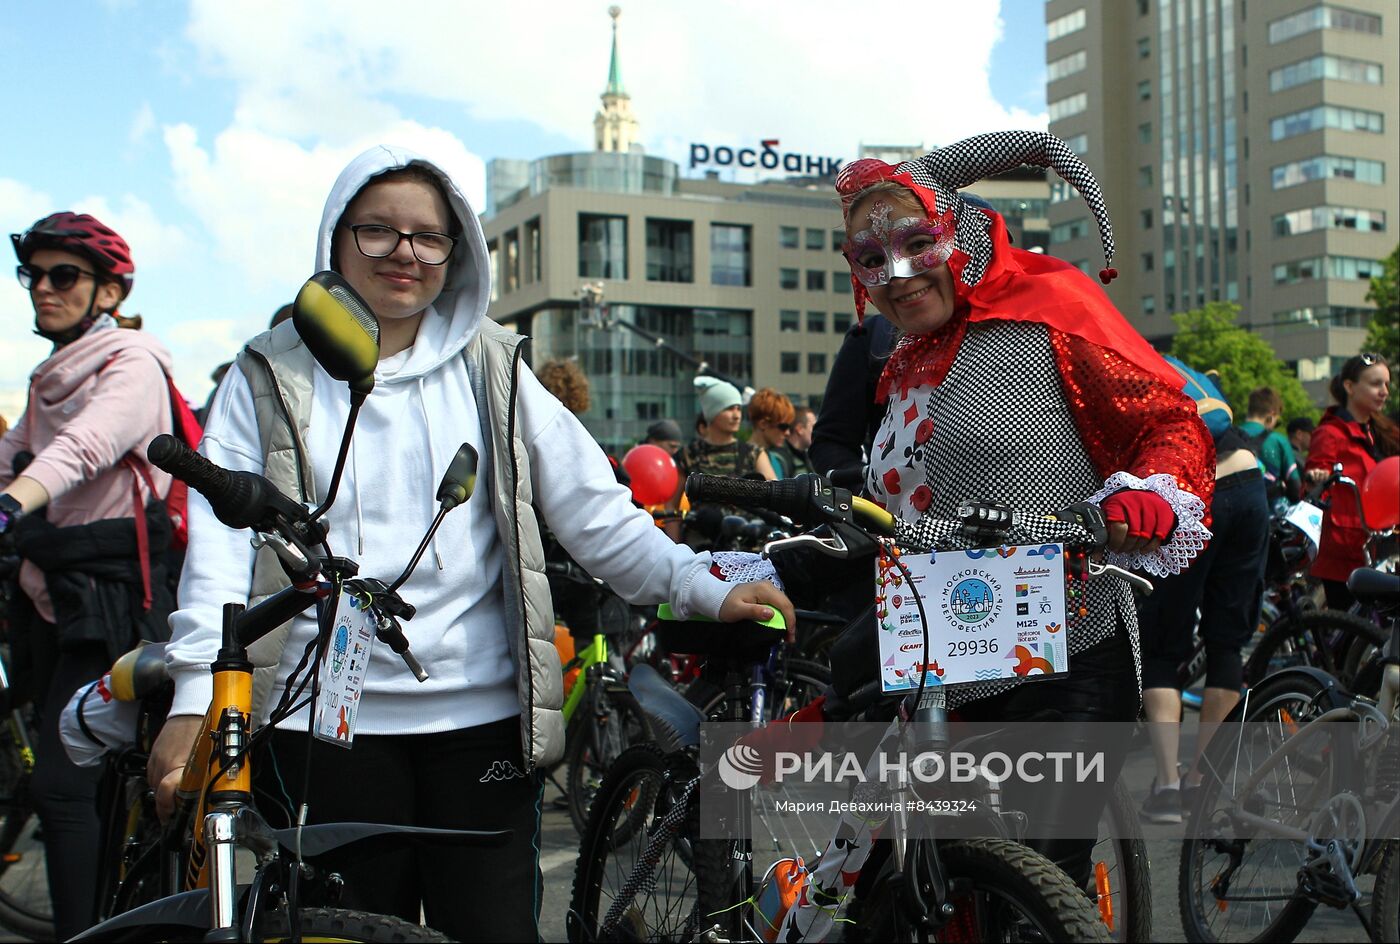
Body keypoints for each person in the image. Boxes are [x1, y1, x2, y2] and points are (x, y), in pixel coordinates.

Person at [146, 145, 792, 942]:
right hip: (323, 727)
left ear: (457, 251)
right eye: (378, 231)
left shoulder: (495, 366)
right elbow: (217, 545)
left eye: (429, 235)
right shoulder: (267, 375)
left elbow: (596, 511)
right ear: (336, 238)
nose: (405, 253)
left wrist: (700, 584)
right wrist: (191, 698)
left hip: (482, 724)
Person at [760, 131, 1214, 941]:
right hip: (940, 661)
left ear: (959, 232)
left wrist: (1149, 497)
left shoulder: (1051, 315)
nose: (898, 276)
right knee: (925, 898)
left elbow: (1167, 422)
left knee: (1035, 899)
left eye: (915, 243)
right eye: (871, 259)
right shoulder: (898, 363)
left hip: (1066, 648)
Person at [1, 211, 176, 938]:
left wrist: (10, 509)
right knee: (87, 790)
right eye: (33, 275)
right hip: (54, 600)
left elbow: (82, 449)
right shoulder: (48, 375)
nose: (44, 288)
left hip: (114, 604)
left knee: (62, 786)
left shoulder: (130, 364)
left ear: (108, 291)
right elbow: (12, 452)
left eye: (63, 275)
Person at [1138, 373, 1270, 823]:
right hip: (1249, 478)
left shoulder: (1126, 378)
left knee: (1160, 639)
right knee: (1227, 642)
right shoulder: (1187, 376)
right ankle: (1203, 782)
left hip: (1191, 490)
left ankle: (1168, 790)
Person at [1305, 352, 1396, 610]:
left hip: (1376, 547)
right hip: (1342, 554)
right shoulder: (1330, 433)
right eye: (1375, 383)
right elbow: (1313, 486)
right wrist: (1316, 478)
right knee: (1350, 634)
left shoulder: (1379, 432)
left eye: (1387, 384)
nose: (1384, 391)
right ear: (1349, 386)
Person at [675, 376, 776, 548]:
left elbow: (777, 497)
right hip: (703, 547)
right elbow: (673, 508)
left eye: (738, 408)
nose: (737, 415)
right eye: (729, 408)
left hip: (749, 546)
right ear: (712, 412)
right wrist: (675, 548)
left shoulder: (753, 453)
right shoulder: (688, 455)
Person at [1239, 386, 1302, 507]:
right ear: (1272, 415)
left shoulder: (1228, 435)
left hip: (1235, 514)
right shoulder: (1279, 441)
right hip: (1270, 514)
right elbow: (1295, 488)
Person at [748, 387, 797, 478]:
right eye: (783, 427)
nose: (787, 433)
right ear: (763, 424)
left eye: (789, 427)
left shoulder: (778, 461)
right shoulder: (742, 459)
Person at [786, 405, 815, 476]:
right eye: (813, 427)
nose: (817, 431)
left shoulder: (806, 456)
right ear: (800, 429)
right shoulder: (782, 459)